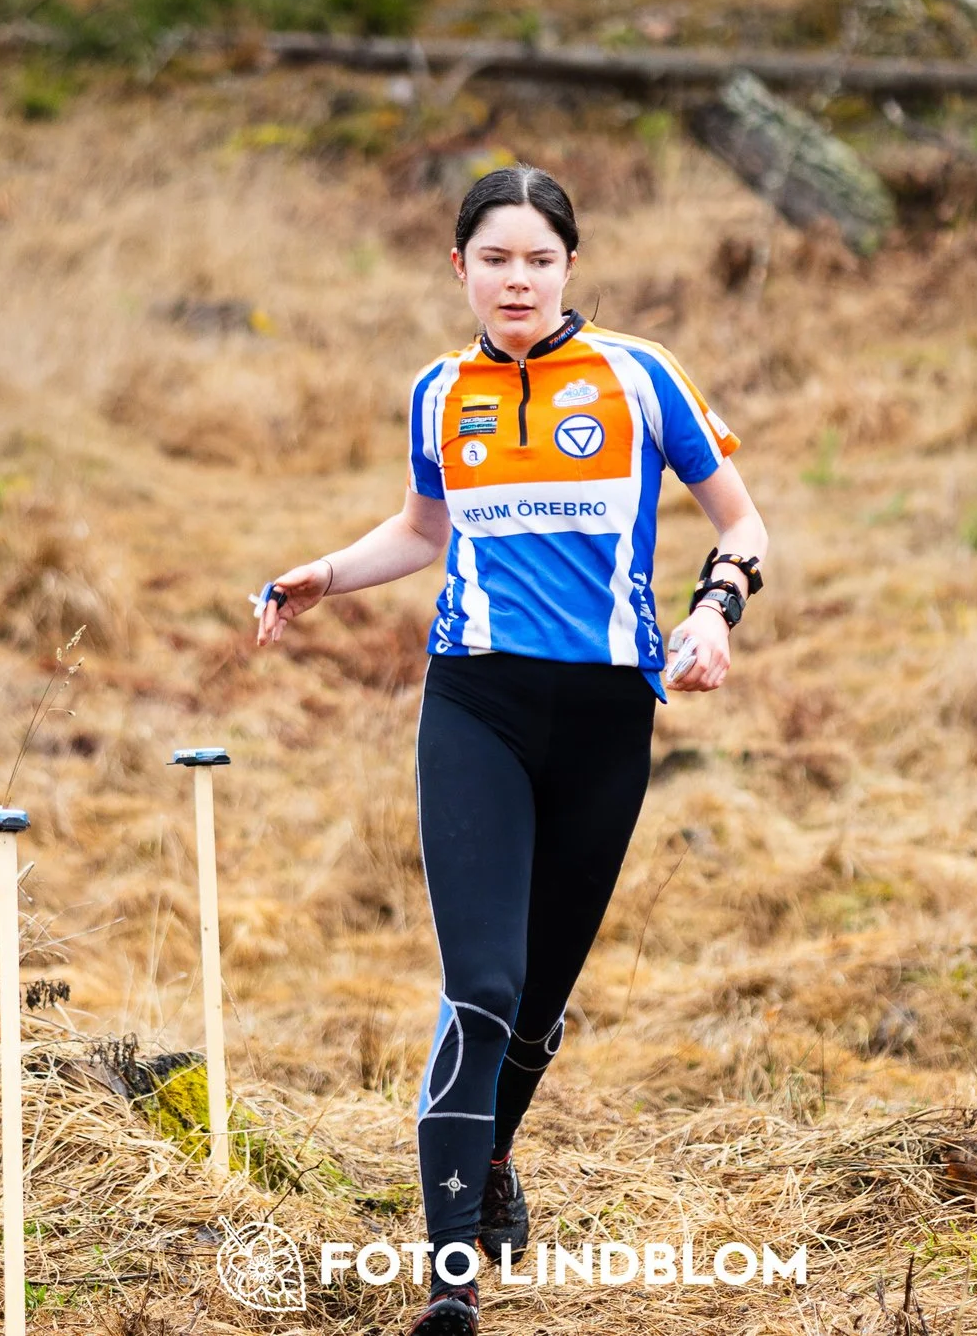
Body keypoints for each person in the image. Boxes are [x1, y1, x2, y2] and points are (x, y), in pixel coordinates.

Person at [254, 165, 768, 1336]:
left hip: (605, 716)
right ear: (460, 269)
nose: (518, 278)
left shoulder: (638, 376)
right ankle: (448, 1282)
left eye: (539, 257)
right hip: (475, 703)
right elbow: (424, 528)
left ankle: (485, 1161)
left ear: (570, 266)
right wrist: (326, 574)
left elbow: (739, 518)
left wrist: (711, 612)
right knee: (479, 985)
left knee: (537, 1004)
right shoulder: (440, 390)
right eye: (495, 258)